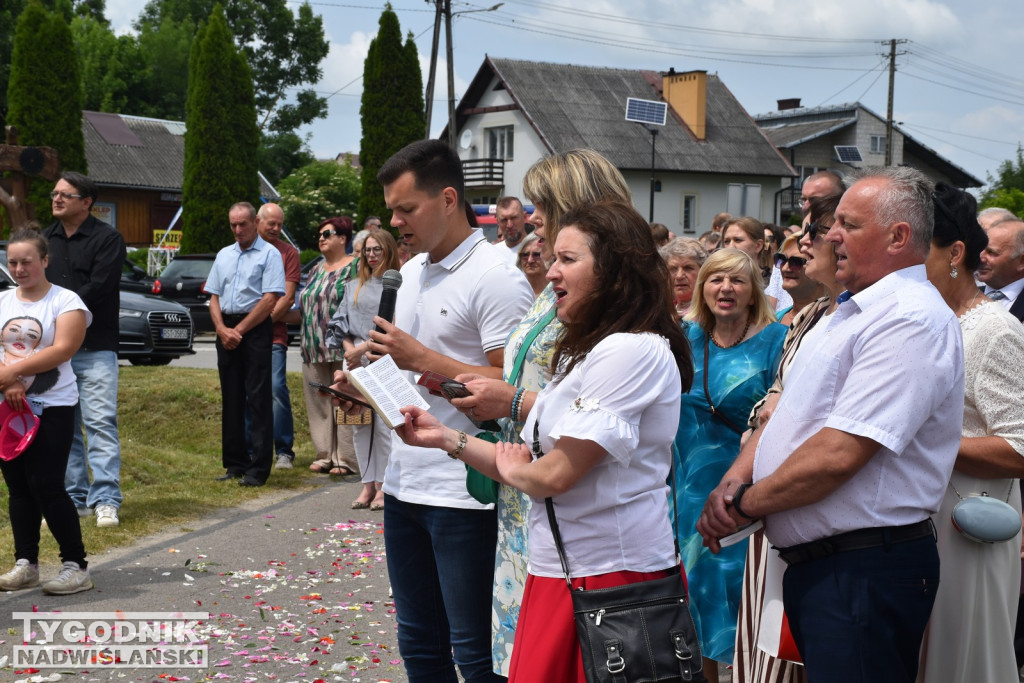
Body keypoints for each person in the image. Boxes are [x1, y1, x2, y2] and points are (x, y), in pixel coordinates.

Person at [393, 200, 694, 683]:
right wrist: (445, 437)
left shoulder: (631, 349)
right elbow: (526, 462)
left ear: (616, 270)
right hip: (564, 571)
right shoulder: (593, 351)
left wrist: (516, 469)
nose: (551, 271)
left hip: (610, 579)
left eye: (568, 260)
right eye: (553, 257)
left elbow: (552, 473)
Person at [698, 167, 965, 683]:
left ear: (898, 236)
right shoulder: (849, 313)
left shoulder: (909, 319)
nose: (829, 236)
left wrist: (743, 504)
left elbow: (841, 453)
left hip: (864, 568)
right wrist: (736, 477)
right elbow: (786, 413)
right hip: (831, 566)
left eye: (848, 224)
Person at [348, 139, 532, 683]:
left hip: (465, 492)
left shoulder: (496, 273)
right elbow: (411, 376)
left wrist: (422, 359)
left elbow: (514, 389)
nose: (395, 222)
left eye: (407, 209)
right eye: (391, 210)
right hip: (404, 485)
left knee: (475, 653)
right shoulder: (415, 271)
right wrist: (366, 382)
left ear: (448, 199)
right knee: (419, 645)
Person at [446, 148, 634, 676]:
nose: (532, 218)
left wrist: (507, 400)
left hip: (571, 501)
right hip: (523, 496)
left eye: (542, 205)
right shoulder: (552, 287)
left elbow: (592, 410)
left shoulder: (610, 300)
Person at [917, 183, 1024, 683]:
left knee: (964, 659)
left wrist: (922, 443)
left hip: (970, 525)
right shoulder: (933, 321)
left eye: (922, 249)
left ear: (955, 253)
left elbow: (1020, 447)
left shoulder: (995, 331)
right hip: (926, 520)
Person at [735, 194, 843, 683]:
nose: (798, 247)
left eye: (810, 237)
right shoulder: (814, 314)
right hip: (773, 504)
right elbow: (778, 391)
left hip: (811, 511)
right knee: (766, 642)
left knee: (796, 655)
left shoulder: (867, 320)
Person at [676, 248, 786, 680]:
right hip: (684, 492)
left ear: (753, 291)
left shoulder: (776, 341)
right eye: (716, 279)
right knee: (693, 604)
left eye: (737, 281)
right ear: (703, 288)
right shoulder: (684, 338)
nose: (726, 289)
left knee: (741, 605)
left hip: (741, 495)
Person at [0, 229, 93, 595]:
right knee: (18, 487)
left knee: (47, 484)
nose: (20, 269)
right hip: (6, 405)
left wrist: (13, 373)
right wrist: (8, 384)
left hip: (51, 405)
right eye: (12, 262)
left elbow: (64, 348)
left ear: (45, 261)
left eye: (27, 261)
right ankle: (27, 563)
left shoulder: (65, 301)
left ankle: (76, 565)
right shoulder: (3, 300)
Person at [43, 171, 126, 528]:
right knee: (64, 427)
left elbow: (99, 287)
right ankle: (74, 497)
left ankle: (106, 499)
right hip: (56, 351)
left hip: (95, 348)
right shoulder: (45, 240)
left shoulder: (108, 239)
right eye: (54, 193)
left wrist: (59, 314)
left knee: (100, 423)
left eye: (65, 194)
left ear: (86, 202)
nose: (56, 199)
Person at [206, 202, 285, 487]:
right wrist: (221, 329)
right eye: (233, 225)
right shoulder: (224, 255)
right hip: (225, 326)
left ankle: (258, 468)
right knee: (232, 396)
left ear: (255, 223)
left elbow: (269, 299)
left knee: (258, 397)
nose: (238, 230)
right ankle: (235, 463)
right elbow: (213, 295)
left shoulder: (270, 254)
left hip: (253, 328)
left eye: (243, 224)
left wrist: (237, 331)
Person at [326, 228, 401, 509]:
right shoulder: (352, 284)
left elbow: (393, 324)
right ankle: (366, 484)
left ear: (388, 251)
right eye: (367, 250)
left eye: (376, 249)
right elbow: (339, 322)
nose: (371, 255)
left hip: (381, 357)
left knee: (382, 424)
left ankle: (383, 486)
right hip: (354, 357)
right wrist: (350, 352)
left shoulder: (395, 286)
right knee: (358, 423)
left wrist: (362, 351)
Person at [300, 217, 360, 477]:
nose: (321, 238)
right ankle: (324, 454)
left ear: (343, 238)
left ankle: (347, 458)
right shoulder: (315, 270)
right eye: (319, 234)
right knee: (319, 403)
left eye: (327, 233)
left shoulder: (355, 267)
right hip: (313, 345)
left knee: (345, 400)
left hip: (344, 345)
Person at [252, 203, 300, 469]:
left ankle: (284, 451)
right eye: (271, 223)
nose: (276, 229)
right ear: (258, 221)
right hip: (245, 335)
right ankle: (251, 450)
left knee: (276, 389)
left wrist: (259, 325)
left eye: (280, 224)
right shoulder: (245, 249)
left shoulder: (288, 253)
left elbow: (287, 297)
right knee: (248, 393)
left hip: (273, 334)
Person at [722, 216, 792, 313]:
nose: (731, 246)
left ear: (758, 245)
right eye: (727, 241)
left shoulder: (773, 283)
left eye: (738, 240)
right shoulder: (718, 280)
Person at [976, 218, 1024, 321]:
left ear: (1021, 262)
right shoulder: (965, 298)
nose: (980, 257)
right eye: (980, 248)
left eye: (991, 252)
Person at [773, 234, 826, 326]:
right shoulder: (774, 319)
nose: (785, 268)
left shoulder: (830, 320)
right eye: (782, 259)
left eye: (796, 262)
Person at [661, 237, 708, 318]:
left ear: (703, 271)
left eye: (687, 268)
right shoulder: (663, 310)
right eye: (673, 269)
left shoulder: (707, 312)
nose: (679, 276)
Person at [495, 196, 529, 264]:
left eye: (514, 218)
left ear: (525, 217)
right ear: (498, 222)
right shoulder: (493, 253)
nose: (509, 225)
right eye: (504, 220)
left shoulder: (538, 252)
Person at [515, 233, 548, 299]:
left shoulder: (557, 292)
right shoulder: (514, 290)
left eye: (536, 255)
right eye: (525, 255)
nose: (530, 260)